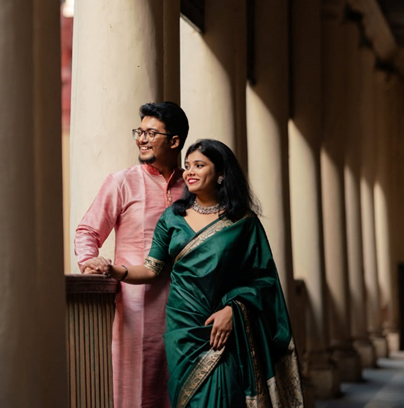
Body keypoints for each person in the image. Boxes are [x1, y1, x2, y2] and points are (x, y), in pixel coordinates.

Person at [85, 139, 304, 407]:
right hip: (183, 326)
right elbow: (152, 269)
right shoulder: (172, 218)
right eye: (187, 166)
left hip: (224, 327)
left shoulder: (243, 222)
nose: (189, 172)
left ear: (221, 173)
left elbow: (263, 279)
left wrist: (234, 310)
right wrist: (111, 269)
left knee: (225, 395)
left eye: (199, 165)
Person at [74, 101, 189, 408]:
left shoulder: (190, 187)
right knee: (138, 393)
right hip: (137, 309)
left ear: (174, 141)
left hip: (189, 310)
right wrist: (90, 263)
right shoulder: (122, 181)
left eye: (151, 133)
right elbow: (88, 231)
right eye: (140, 131)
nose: (141, 138)